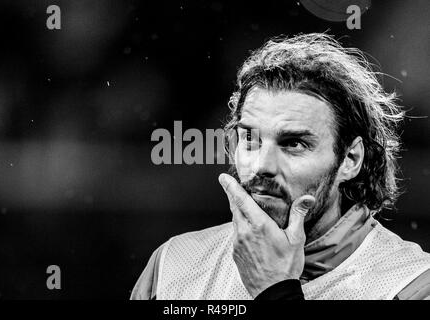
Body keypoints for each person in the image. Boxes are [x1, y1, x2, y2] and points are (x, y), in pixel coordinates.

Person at [131, 33, 430, 300]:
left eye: (293, 144)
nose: (262, 165)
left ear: (350, 160)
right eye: (250, 138)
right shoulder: (172, 264)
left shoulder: (413, 285)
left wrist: (275, 291)